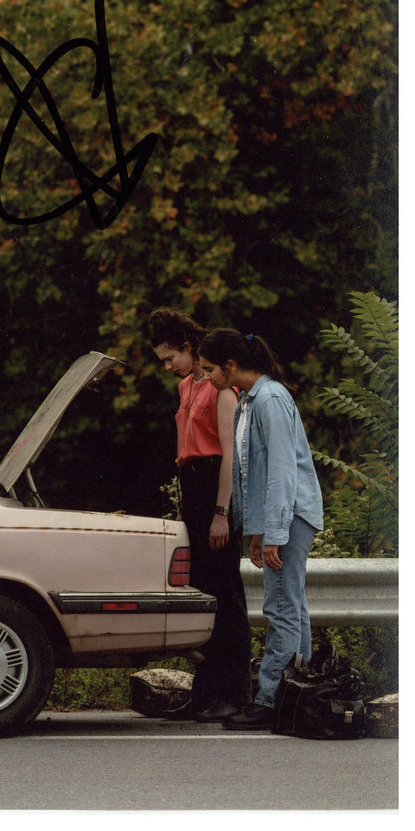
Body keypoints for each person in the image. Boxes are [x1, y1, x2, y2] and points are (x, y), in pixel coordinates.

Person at [196, 328, 325, 732]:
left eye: (209, 369)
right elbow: (255, 473)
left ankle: (270, 701)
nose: (206, 378)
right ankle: (296, 696)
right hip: (282, 518)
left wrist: (275, 533)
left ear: (231, 367)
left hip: (289, 516)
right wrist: (257, 531)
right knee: (293, 606)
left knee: (281, 608)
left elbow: (283, 472)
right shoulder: (253, 400)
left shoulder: (269, 400)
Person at [145, 308, 251, 721]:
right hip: (191, 487)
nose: (168, 367)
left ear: (189, 348)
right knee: (203, 595)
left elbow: (228, 456)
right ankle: (205, 692)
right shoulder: (186, 387)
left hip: (214, 487)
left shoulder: (221, 390)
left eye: (171, 358)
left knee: (226, 595)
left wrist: (221, 512)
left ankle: (235, 693)